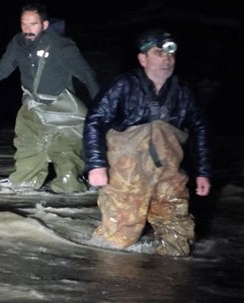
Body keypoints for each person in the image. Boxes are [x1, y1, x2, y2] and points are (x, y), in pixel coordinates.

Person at [83, 29, 212, 257]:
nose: (166, 59)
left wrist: (203, 172)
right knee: (117, 239)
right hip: (127, 177)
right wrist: (96, 164)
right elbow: (95, 120)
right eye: (158, 53)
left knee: (178, 238)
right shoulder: (123, 85)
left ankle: (167, 285)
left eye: (170, 54)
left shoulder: (183, 91)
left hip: (169, 175)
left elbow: (199, 129)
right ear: (143, 59)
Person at [0, 3, 100, 193]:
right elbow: (0, 71)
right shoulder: (18, 43)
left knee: (66, 160)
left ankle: (75, 194)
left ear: (44, 25)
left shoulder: (61, 45)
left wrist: (100, 108)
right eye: (24, 24)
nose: (27, 29)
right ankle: (23, 188)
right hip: (32, 109)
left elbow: (87, 75)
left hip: (63, 111)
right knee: (27, 150)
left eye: (33, 24)